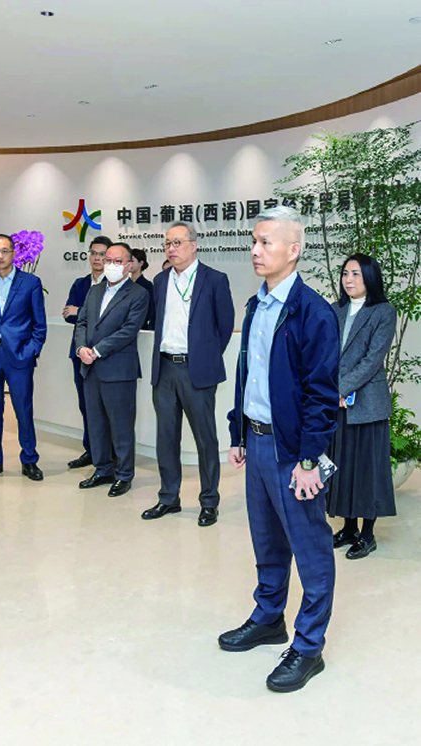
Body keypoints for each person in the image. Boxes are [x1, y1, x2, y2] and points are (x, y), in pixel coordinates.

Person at [220, 206, 340, 693]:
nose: (255, 250)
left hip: (293, 454)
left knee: (310, 548)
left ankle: (309, 646)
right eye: (254, 241)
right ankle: (269, 617)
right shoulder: (257, 305)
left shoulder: (313, 312)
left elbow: (321, 395)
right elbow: (248, 374)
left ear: (293, 250)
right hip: (257, 442)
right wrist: (239, 433)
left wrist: (309, 460)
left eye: (265, 242)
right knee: (267, 540)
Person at [141, 221, 235, 527]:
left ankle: (209, 501)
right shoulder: (159, 280)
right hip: (164, 368)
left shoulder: (215, 279)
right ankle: (169, 497)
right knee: (166, 438)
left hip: (197, 371)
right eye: (167, 243)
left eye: (177, 243)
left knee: (205, 439)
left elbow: (224, 326)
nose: (171, 249)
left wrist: (204, 357)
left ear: (194, 246)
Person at [328, 253, 397, 559]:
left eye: (355, 274)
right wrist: (331, 390)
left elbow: (372, 360)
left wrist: (341, 389)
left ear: (370, 277)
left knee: (367, 470)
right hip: (338, 402)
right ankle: (349, 528)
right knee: (343, 466)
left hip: (367, 403)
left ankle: (368, 535)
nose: (349, 280)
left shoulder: (384, 312)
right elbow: (325, 353)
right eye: (345, 274)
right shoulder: (335, 310)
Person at [0, 234, 47, 480]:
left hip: (20, 356)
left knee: (23, 410)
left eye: (4, 251)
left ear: (14, 253)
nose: (0, 256)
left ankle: (29, 459)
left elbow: (39, 324)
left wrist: (31, 350)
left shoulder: (31, 282)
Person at [75, 242, 149, 496]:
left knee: (121, 425)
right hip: (90, 369)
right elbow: (82, 322)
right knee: (96, 423)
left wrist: (97, 350)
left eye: (118, 261)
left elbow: (129, 330)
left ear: (129, 265)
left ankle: (124, 474)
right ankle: (103, 469)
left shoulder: (138, 294)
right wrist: (81, 348)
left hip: (118, 370)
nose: (111, 265)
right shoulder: (95, 290)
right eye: (108, 260)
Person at [62, 235, 112, 468]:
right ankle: (90, 450)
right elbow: (68, 315)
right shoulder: (80, 284)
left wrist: (80, 311)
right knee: (86, 404)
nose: (97, 258)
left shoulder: (115, 284)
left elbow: (108, 318)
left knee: (106, 407)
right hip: (79, 354)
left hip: (105, 354)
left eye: (102, 254)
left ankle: (108, 454)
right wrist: (83, 314)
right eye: (93, 253)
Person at [129, 248, 155, 330]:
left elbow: (150, 309)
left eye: (132, 261)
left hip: (140, 326)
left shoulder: (147, 285)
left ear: (141, 263)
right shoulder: (125, 283)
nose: (129, 264)